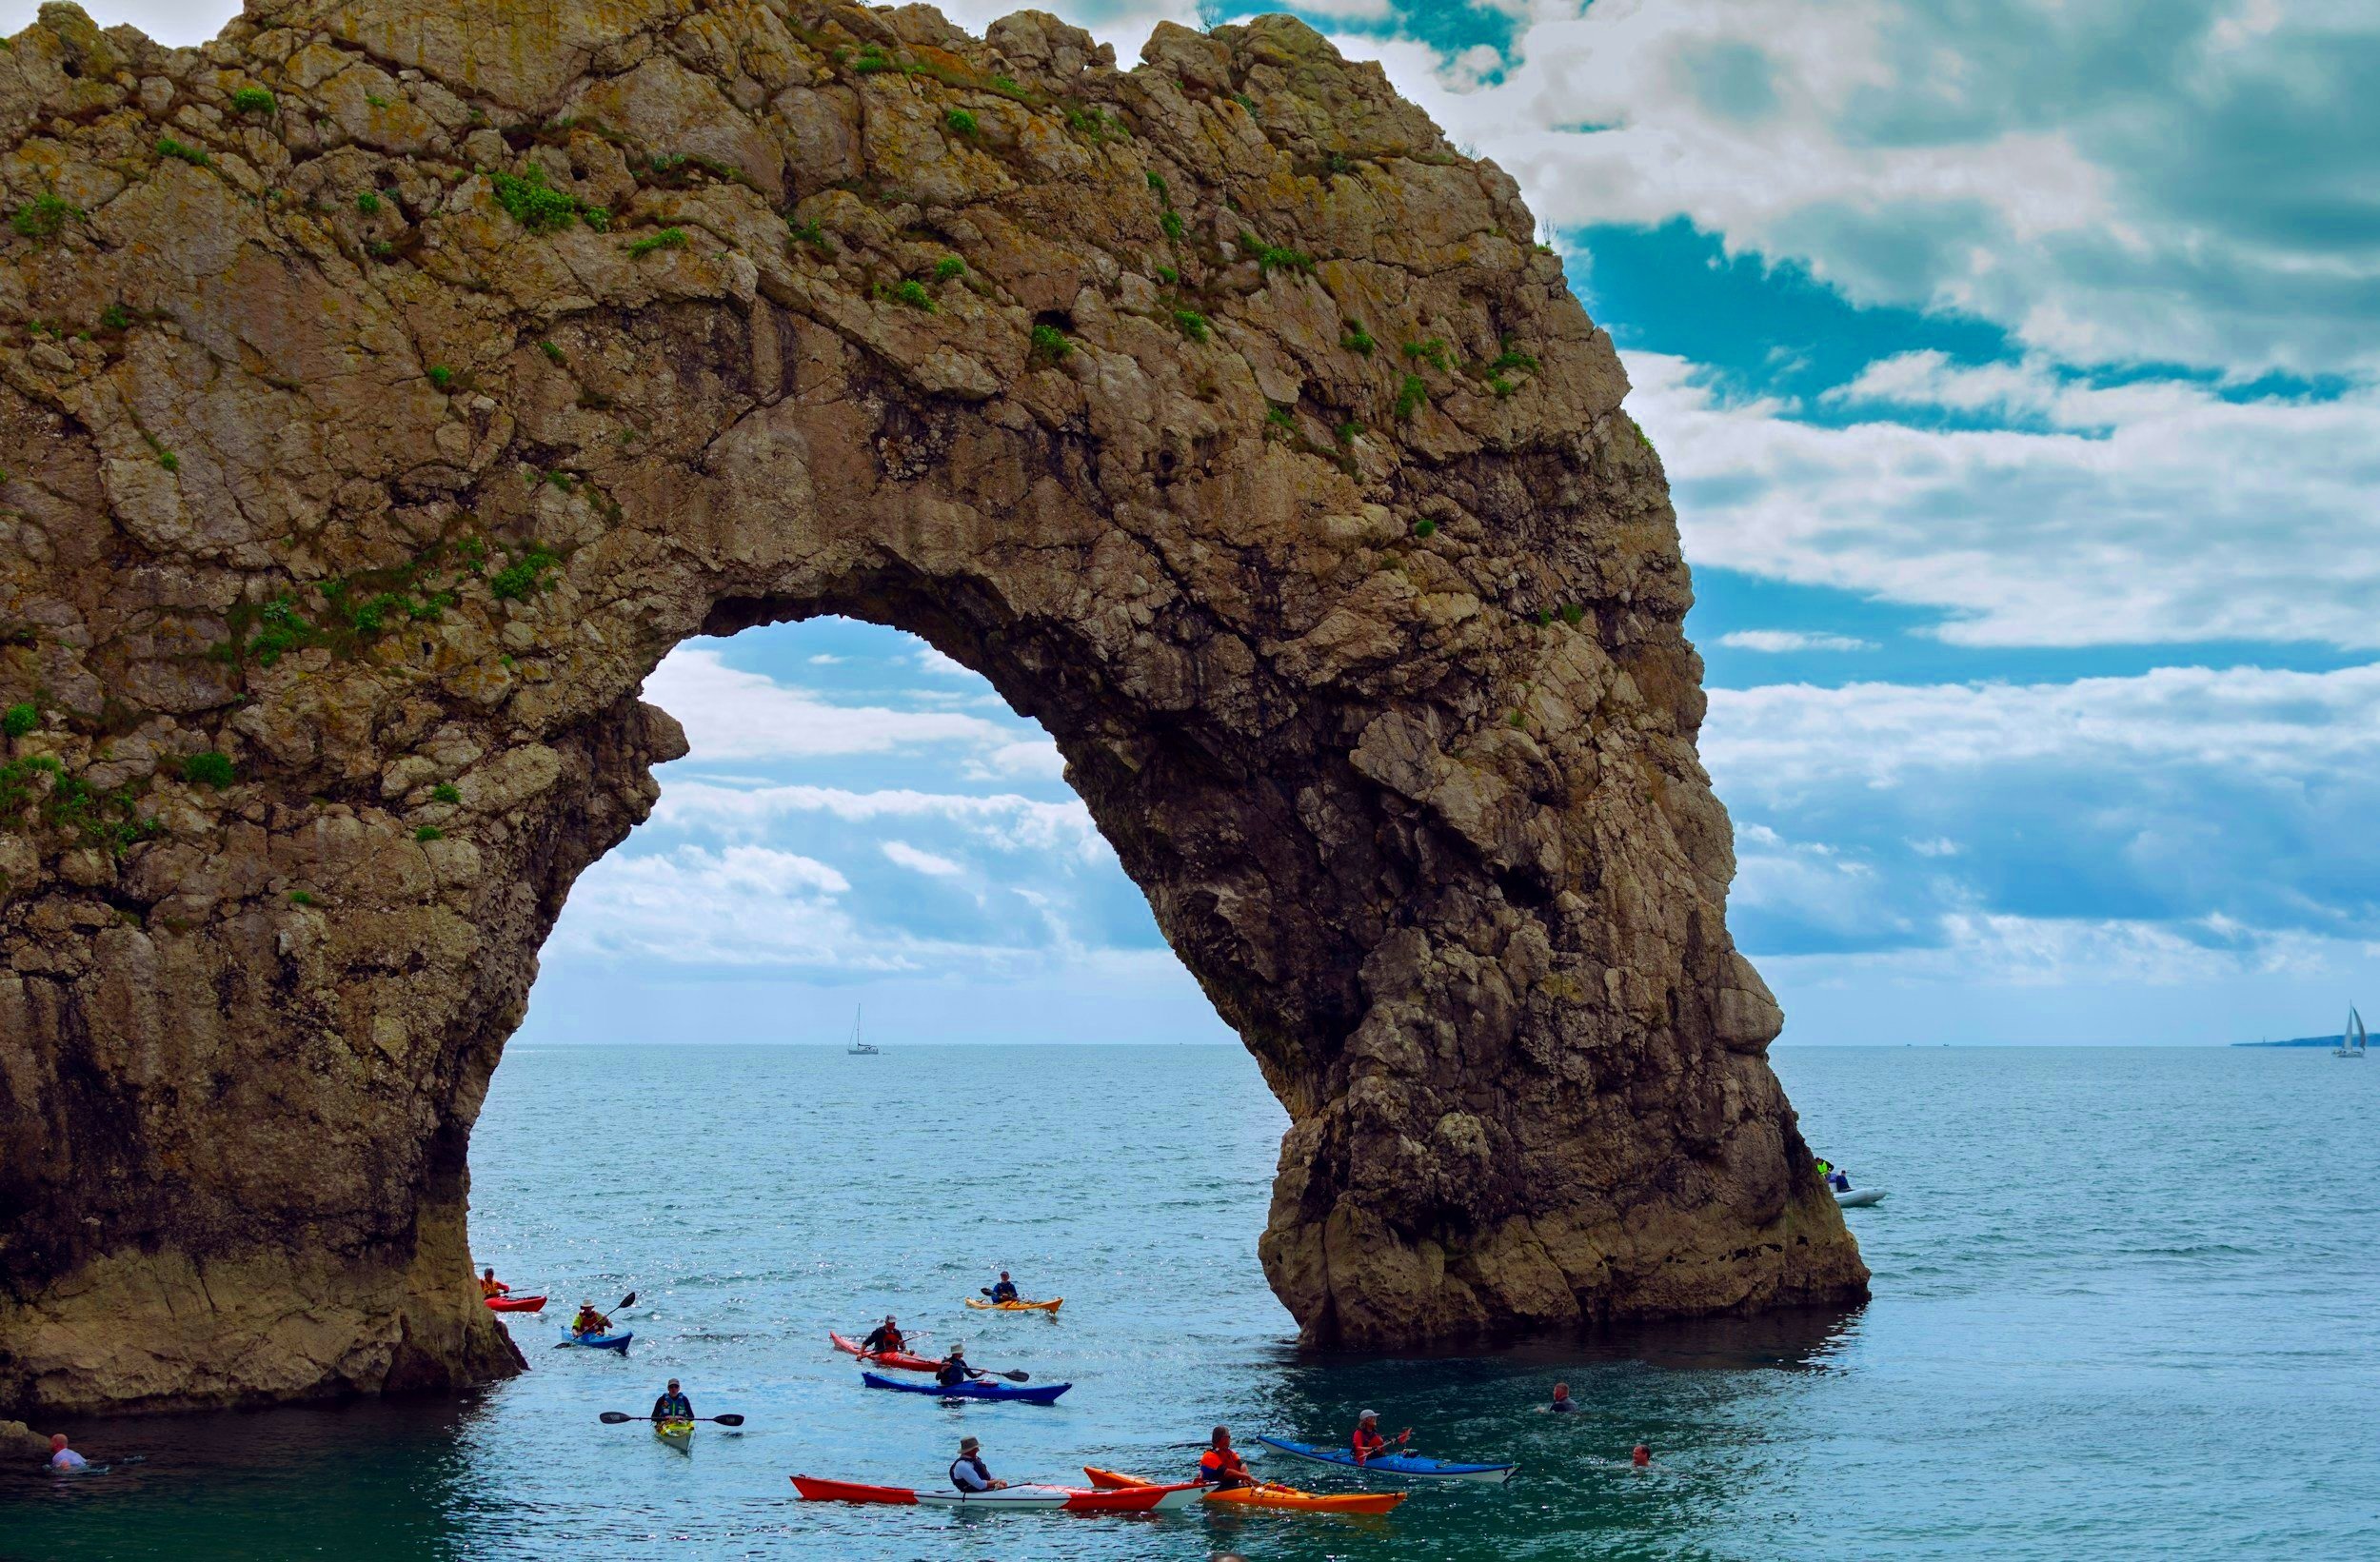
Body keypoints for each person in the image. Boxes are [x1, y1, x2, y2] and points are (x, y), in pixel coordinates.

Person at [1195, 1426, 1253, 1490]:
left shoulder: (1231, 1453)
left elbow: (1242, 1465)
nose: (1230, 1439)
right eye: (1229, 1437)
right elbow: (1227, 1473)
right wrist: (1247, 1476)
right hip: (1216, 1488)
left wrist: (1244, 1478)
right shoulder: (1209, 1456)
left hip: (1232, 1486)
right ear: (1223, 1439)